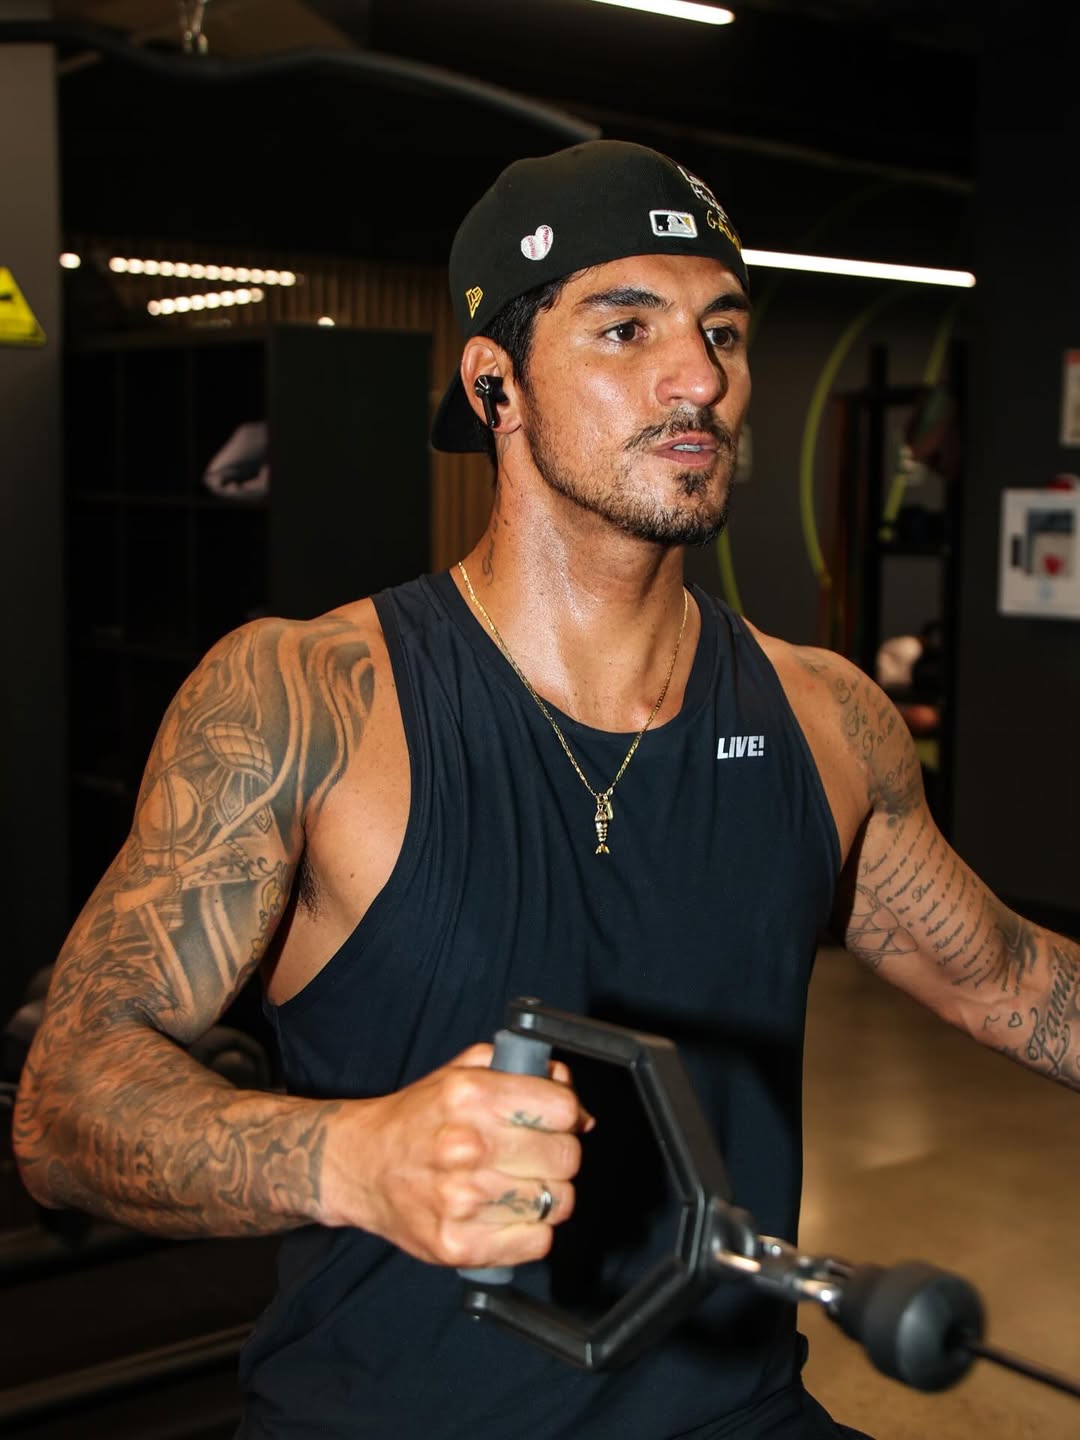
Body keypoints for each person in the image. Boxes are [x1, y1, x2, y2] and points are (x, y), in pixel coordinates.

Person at [14, 141, 1078, 1439]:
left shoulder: (827, 717)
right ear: (495, 384)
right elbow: (64, 1101)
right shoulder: (309, 699)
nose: (701, 380)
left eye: (723, 334)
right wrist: (352, 1158)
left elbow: (1008, 980)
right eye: (627, 329)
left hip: (738, 1418)